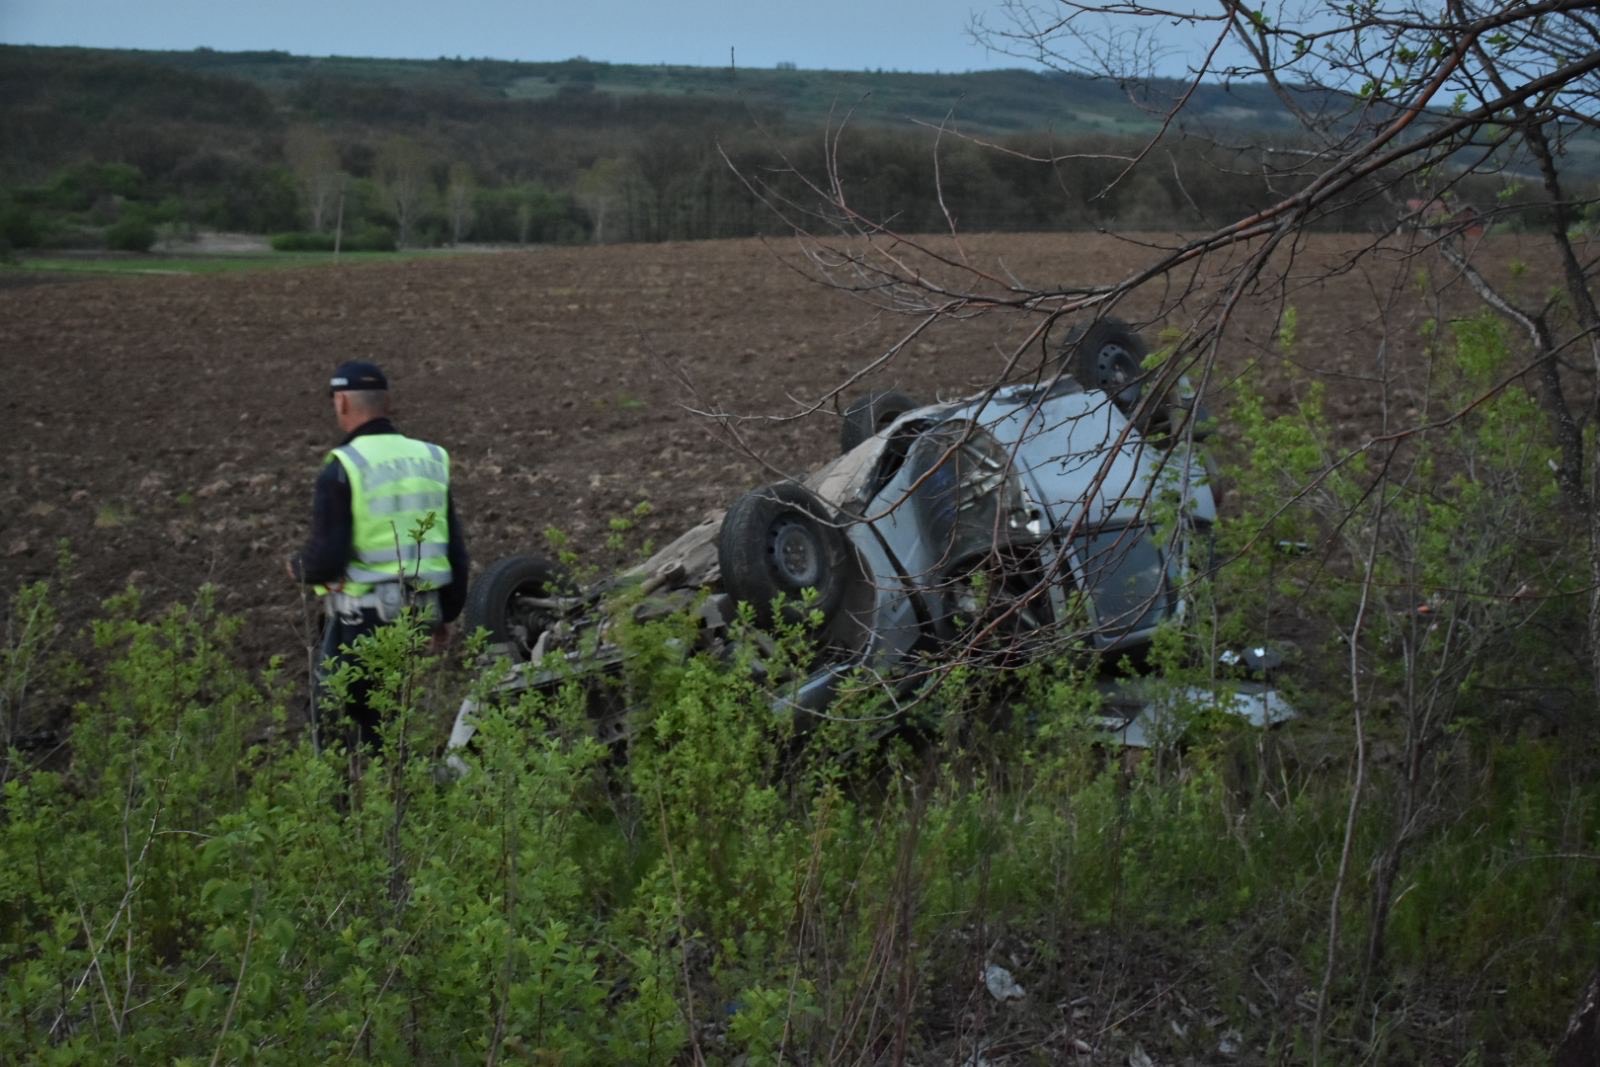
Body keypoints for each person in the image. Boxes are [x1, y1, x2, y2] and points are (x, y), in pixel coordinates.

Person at [287, 360, 470, 751]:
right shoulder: (432, 458)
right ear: (387, 402)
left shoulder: (345, 466)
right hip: (419, 615)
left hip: (361, 622)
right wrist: (443, 614)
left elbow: (326, 560)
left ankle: (342, 810)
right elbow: (455, 550)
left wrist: (297, 567)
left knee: (334, 728)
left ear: (342, 403)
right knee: (392, 730)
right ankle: (405, 804)